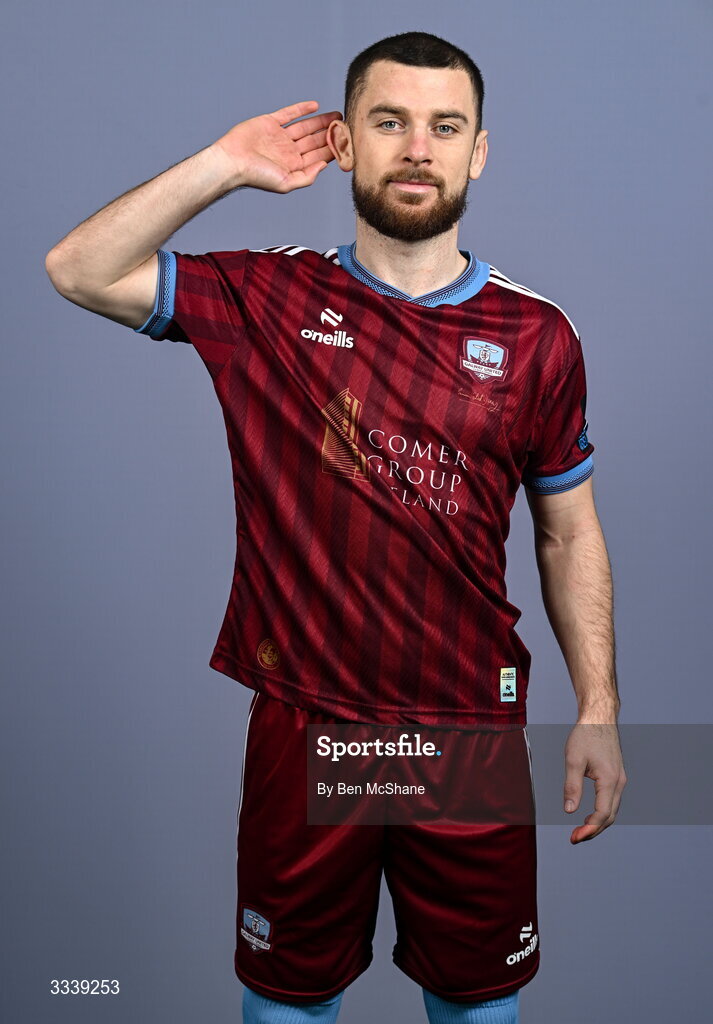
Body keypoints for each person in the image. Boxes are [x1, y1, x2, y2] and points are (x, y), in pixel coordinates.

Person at [45, 30, 626, 1024]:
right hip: (309, 723)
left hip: (465, 735)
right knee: (286, 1002)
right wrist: (225, 164)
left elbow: (567, 533)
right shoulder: (268, 299)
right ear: (343, 141)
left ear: (476, 151)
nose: (416, 147)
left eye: (444, 127)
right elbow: (79, 268)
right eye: (388, 121)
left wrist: (600, 707)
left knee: (477, 1002)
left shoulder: (537, 337)